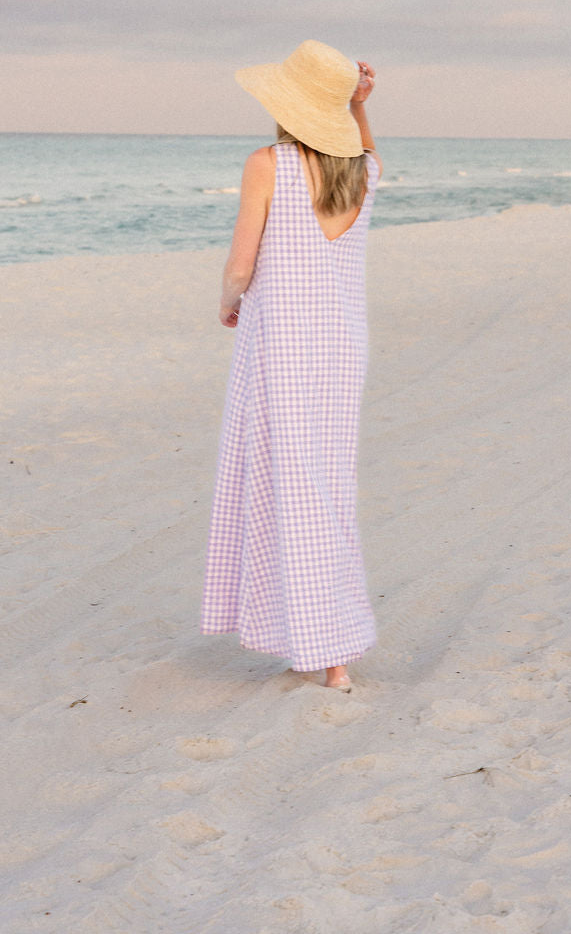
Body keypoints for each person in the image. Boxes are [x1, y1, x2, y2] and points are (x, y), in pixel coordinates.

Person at [201, 40, 381, 692]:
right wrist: (358, 109)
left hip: (281, 344)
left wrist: (228, 303)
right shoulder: (365, 172)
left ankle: (327, 651)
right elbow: (365, 153)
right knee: (327, 488)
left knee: (284, 486)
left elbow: (241, 264)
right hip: (341, 347)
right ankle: (327, 647)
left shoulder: (268, 163)